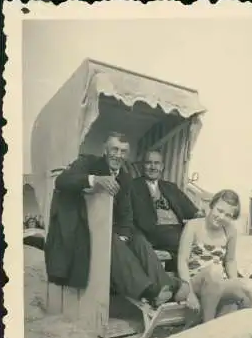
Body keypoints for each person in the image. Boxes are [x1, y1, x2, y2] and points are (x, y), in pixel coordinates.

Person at [45, 131, 185, 307]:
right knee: (109, 239)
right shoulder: (88, 162)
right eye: (114, 149)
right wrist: (94, 179)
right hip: (83, 229)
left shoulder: (125, 177)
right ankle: (148, 292)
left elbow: (126, 214)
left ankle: (166, 285)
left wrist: (125, 235)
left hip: (110, 228)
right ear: (105, 149)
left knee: (138, 238)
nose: (118, 155)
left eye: (123, 151)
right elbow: (62, 181)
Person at [176, 189, 252, 323]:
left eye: (228, 215)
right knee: (214, 271)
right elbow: (182, 260)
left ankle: (249, 324)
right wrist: (189, 293)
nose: (221, 217)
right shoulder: (194, 226)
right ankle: (207, 325)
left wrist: (235, 282)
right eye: (219, 211)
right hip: (193, 283)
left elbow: (230, 261)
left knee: (250, 286)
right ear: (211, 206)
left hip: (218, 282)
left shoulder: (230, 231)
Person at [130, 150, 203, 267]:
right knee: (189, 246)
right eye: (149, 163)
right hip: (154, 231)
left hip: (177, 230)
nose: (153, 167)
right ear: (142, 166)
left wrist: (201, 217)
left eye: (157, 163)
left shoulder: (171, 187)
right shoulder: (132, 186)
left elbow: (192, 211)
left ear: (162, 167)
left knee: (201, 240)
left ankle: (171, 256)